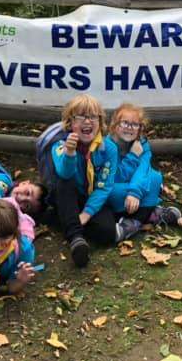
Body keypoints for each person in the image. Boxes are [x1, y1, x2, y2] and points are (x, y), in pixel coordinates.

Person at [44, 95, 120, 268]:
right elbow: (64, 173)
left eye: (93, 117)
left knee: (107, 232)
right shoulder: (60, 145)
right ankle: (76, 239)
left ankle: (62, 219)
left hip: (92, 197)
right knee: (63, 182)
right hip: (68, 196)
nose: (88, 122)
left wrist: (86, 214)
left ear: (100, 122)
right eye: (81, 117)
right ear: (70, 123)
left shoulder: (109, 148)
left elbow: (104, 187)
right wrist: (70, 153)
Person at [104, 102, 182, 236]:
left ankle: (132, 224)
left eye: (135, 124)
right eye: (125, 123)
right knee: (111, 190)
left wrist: (135, 192)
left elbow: (143, 170)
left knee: (155, 177)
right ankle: (150, 214)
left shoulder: (143, 144)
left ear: (140, 128)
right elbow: (115, 176)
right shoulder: (107, 145)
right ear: (115, 125)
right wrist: (133, 156)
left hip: (133, 189)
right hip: (114, 187)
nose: (129, 128)